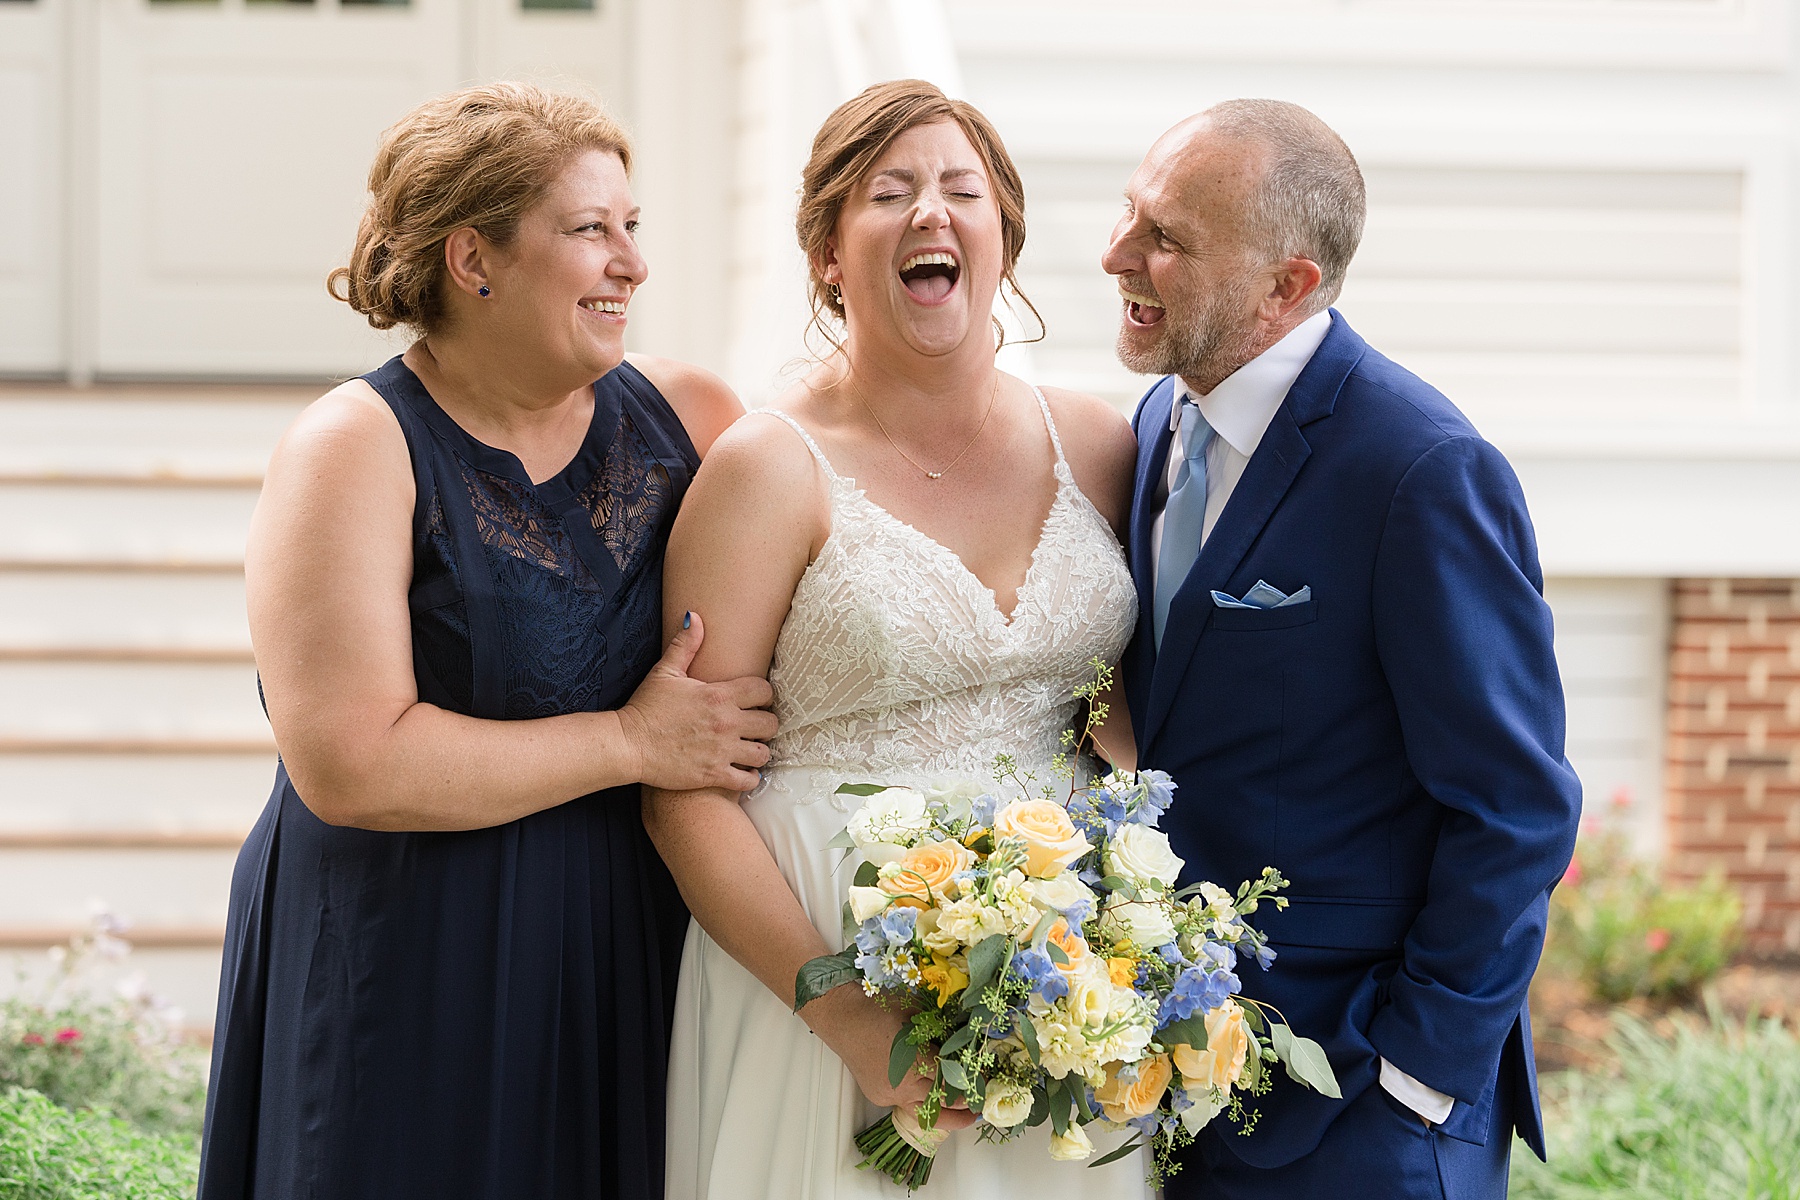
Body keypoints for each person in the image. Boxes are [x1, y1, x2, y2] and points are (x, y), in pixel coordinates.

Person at [198, 83, 777, 1200]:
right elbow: (350, 761)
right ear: (476, 259)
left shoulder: (695, 418)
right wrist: (631, 743)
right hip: (410, 950)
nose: (633, 265)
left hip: (628, 941)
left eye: (633, 228)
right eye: (590, 230)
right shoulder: (353, 449)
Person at [645, 79, 1148, 1198]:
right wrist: (846, 1016)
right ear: (829, 254)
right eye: (891, 194)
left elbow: (1130, 719)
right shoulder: (766, 470)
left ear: (1001, 238)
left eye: (961, 190)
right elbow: (682, 789)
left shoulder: (1100, 447)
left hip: (1059, 982)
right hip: (823, 961)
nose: (933, 213)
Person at [1106, 99, 1582, 1200]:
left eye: (1166, 238)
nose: (1117, 254)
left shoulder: (1421, 469)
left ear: (1289, 285)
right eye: (1131, 215)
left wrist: (1419, 1075)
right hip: (1185, 1096)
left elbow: (1517, 810)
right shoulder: (1148, 430)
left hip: (1367, 1111)